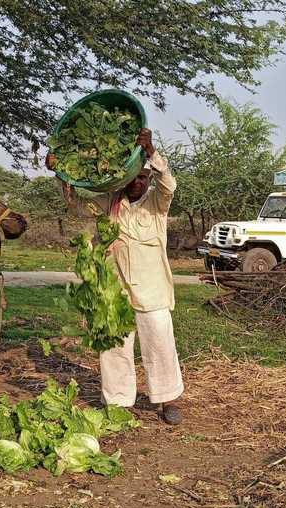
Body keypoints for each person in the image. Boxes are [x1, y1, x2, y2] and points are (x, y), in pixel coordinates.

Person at [46, 128, 184, 424]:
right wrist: (60, 173)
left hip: (153, 289)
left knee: (159, 342)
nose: (138, 182)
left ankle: (167, 400)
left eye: (143, 177)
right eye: (133, 177)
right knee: (114, 344)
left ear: (148, 178)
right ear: (124, 177)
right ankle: (119, 401)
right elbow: (77, 205)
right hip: (114, 288)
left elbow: (169, 184)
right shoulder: (110, 202)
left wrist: (151, 153)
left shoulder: (157, 204)